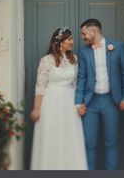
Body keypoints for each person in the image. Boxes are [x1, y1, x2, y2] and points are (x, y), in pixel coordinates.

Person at [75, 18, 124, 170]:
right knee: (89, 142)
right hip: (90, 102)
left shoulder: (117, 47)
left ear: (94, 31)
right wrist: (78, 103)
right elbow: (81, 77)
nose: (82, 37)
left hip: (111, 101)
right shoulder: (83, 52)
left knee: (111, 141)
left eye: (84, 33)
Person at [30, 26, 88, 170]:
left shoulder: (73, 58)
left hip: (69, 103)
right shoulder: (46, 61)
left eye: (72, 39)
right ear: (60, 42)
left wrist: (79, 104)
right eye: (69, 39)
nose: (72, 42)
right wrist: (37, 109)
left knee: (69, 138)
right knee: (51, 137)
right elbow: (41, 86)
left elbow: (77, 84)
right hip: (50, 103)